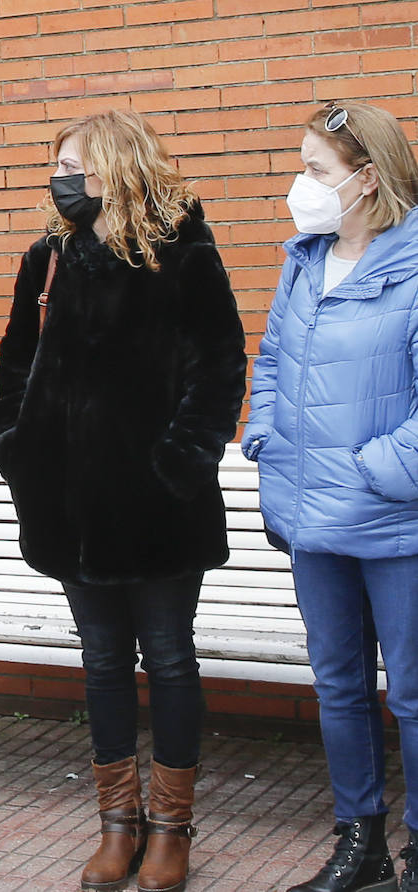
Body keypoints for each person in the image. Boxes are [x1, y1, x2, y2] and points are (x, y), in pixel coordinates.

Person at [0, 110, 245, 892]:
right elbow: (14, 368)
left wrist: (180, 465)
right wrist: (16, 450)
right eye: (58, 164)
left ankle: (171, 830)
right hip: (68, 506)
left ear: (120, 166)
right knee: (102, 664)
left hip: (161, 507)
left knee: (168, 660)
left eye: (79, 164)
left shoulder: (182, 251)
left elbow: (220, 369)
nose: (64, 178)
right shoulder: (49, 258)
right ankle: (117, 825)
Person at [245, 102, 418, 892]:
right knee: (340, 686)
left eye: (317, 170)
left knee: (412, 693)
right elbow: (273, 359)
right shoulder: (305, 259)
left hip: (396, 520)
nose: (300, 185)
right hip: (311, 519)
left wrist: (377, 471)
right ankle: (362, 845)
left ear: (367, 179)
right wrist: (266, 440)